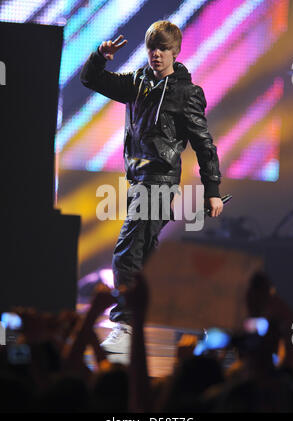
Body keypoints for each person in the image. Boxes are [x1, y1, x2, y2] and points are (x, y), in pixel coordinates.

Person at [80, 20, 223, 353]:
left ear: (175, 52)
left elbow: (204, 144)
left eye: (163, 49)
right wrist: (100, 56)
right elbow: (91, 79)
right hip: (137, 180)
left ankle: (126, 327)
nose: (156, 54)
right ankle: (195, 313)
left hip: (159, 181)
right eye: (152, 48)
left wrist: (212, 189)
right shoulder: (136, 84)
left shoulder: (187, 93)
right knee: (148, 260)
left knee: (127, 253)